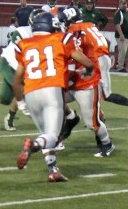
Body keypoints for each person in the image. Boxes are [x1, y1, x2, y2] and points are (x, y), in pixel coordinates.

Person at [14, 11, 93, 182]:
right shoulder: (61, 39)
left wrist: (20, 102)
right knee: (53, 136)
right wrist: (88, 70)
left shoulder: (24, 44)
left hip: (30, 92)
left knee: (45, 134)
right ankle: (33, 146)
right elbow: (87, 62)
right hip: (51, 91)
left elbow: (17, 79)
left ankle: (53, 170)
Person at [58, 6, 115, 157]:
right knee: (54, 102)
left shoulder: (74, 32)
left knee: (91, 123)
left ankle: (107, 144)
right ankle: (65, 126)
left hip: (85, 82)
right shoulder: (89, 25)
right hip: (76, 79)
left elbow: (73, 55)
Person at [111, 0, 128, 72]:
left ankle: (121, 63)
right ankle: (120, 67)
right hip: (122, 35)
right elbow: (117, 24)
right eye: (122, 4)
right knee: (123, 51)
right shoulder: (118, 13)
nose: (124, 5)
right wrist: (121, 34)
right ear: (119, 5)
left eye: (125, 4)